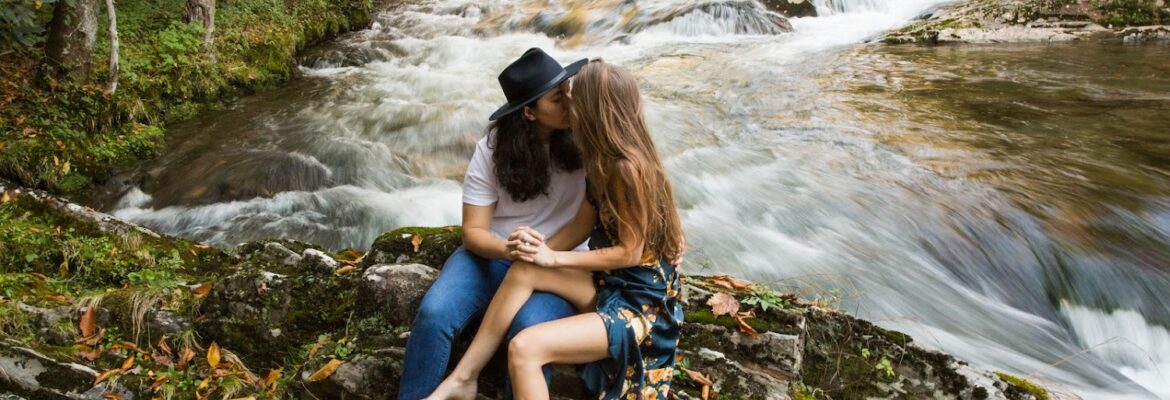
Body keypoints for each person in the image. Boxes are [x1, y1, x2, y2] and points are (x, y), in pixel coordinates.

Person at [426, 59, 685, 400]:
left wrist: (554, 260)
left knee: (524, 347)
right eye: (560, 97)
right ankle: (463, 378)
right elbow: (581, 224)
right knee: (525, 268)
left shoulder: (625, 169)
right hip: (612, 284)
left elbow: (630, 253)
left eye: (571, 98)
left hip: (640, 304)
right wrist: (539, 252)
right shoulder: (598, 160)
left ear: (593, 111)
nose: (566, 103)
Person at [397, 48, 592, 400]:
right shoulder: (492, 148)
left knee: (528, 332)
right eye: (557, 97)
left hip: (560, 262)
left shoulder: (588, 139)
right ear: (529, 112)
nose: (569, 100)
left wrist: (543, 254)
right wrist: (509, 249)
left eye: (567, 89)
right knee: (434, 314)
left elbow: (586, 223)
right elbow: (472, 232)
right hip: (494, 254)